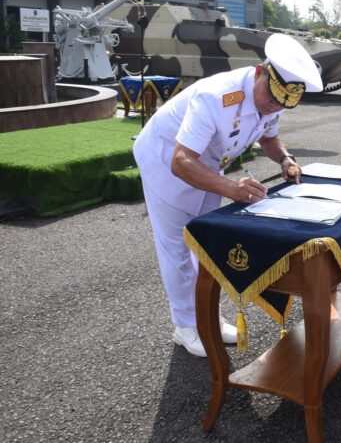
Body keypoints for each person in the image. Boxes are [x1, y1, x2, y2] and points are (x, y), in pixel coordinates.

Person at [133, 33, 322, 357]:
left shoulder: (275, 96)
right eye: (271, 98)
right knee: (178, 246)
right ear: (260, 72)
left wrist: (285, 160)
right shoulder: (217, 96)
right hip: (166, 160)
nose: (272, 107)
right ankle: (186, 326)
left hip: (205, 163)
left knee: (205, 243)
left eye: (281, 104)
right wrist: (232, 189)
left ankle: (207, 317)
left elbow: (269, 138)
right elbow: (181, 161)